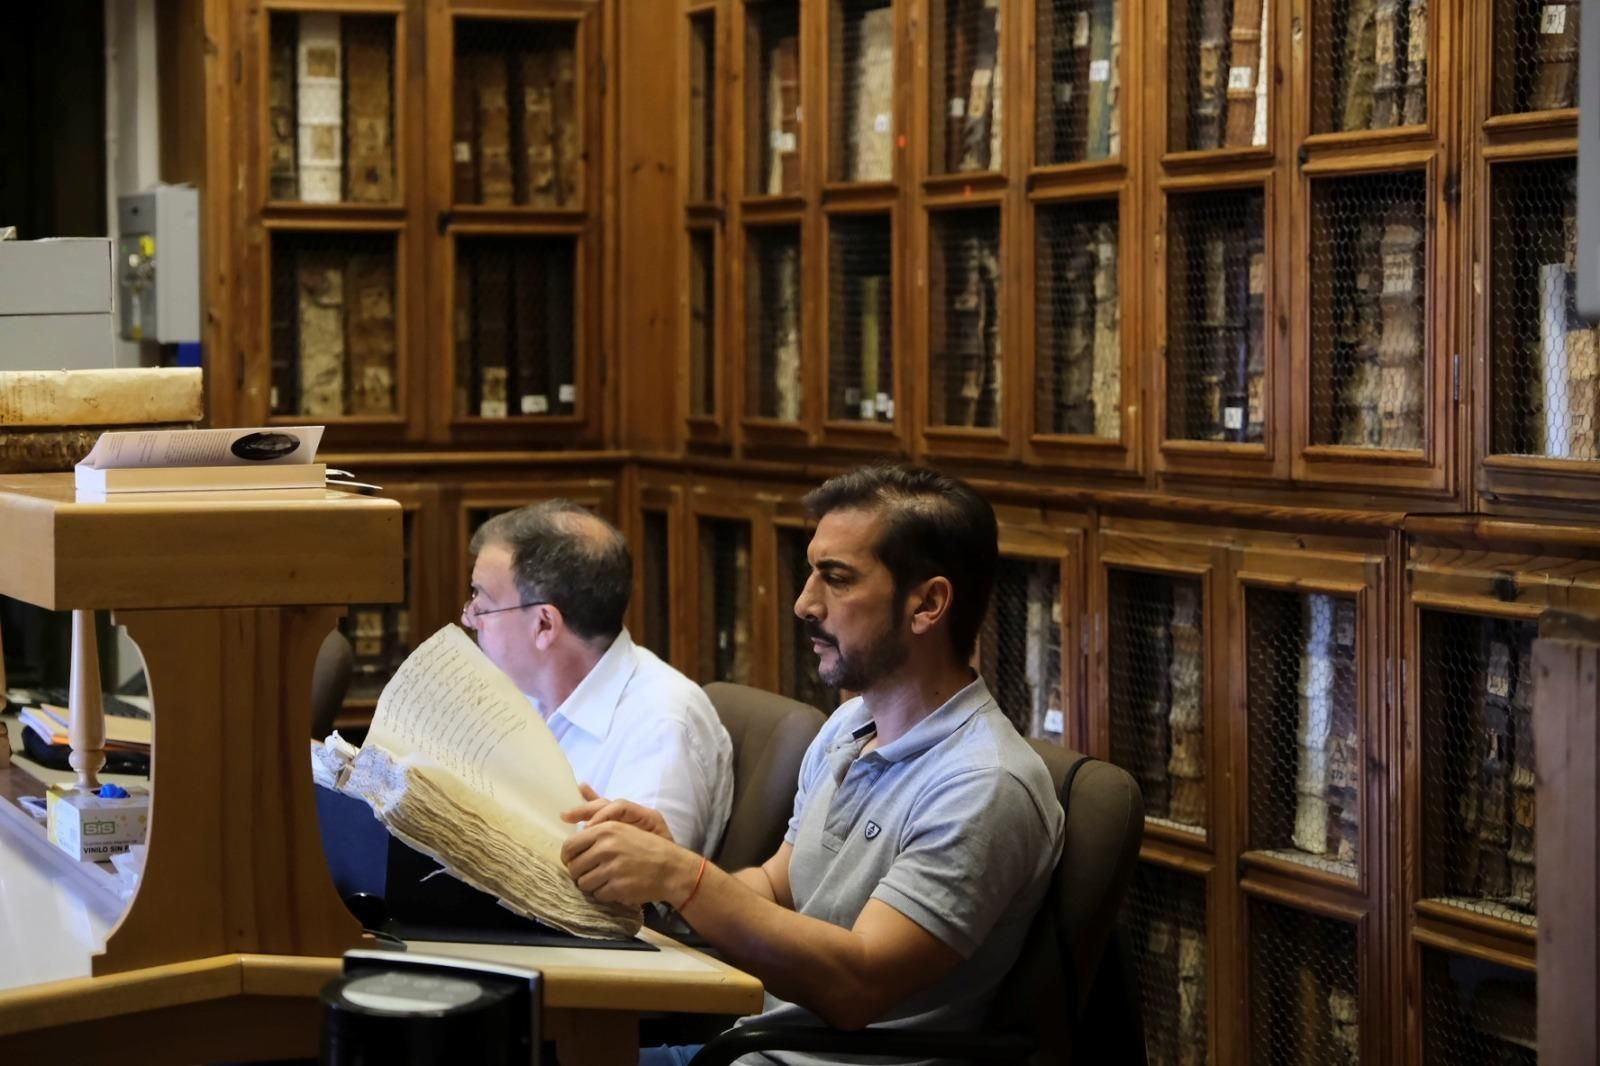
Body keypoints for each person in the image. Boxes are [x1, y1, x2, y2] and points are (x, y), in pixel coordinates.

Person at [559, 465, 1065, 1064]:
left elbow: (859, 986)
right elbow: (779, 887)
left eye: (838, 579)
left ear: (927, 604)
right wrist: (669, 875)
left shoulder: (983, 785)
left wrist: (683, 880)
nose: (803, 603)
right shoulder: (848, 727)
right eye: (811, 574)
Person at [464, 500, 733, 858]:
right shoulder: (522, 693)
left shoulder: (661, 728)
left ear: (544, 624)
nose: (470, 619)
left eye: (483, 606)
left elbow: (638, 898)